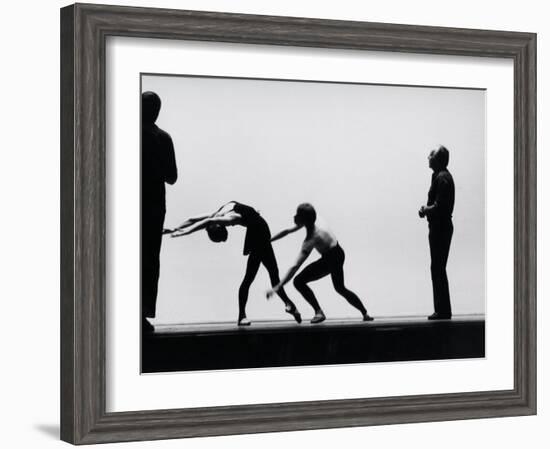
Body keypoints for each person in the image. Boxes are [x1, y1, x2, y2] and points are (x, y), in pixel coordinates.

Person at [169, 201, 302, 326]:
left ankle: (286, 306)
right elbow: (196, 220)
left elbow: (199, 221)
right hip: (258, 235)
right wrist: (176, 229)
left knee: (264, 276)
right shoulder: (223, 215)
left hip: (260, 234)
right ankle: (286, 306)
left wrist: (183, 231)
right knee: (263, 276)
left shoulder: (224, 216)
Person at [266, 203, 373, 324]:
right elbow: (288, 231)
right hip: (338, 252)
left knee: (299, 281)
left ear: (304, 220)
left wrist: (278, 286)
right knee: (340, 288)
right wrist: (269, 240)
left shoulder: (312, 239)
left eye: (297, 215)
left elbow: (295, 266)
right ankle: (365, 313)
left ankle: (319, 312)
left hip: (331, 259)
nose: (294, 216)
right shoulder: (315, 220)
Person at [141, 91, 178, 333]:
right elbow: (172, 177)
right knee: (150, 259)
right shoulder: (163, 138)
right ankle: (142, 313)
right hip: (154, 206)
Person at [418, 145, 455, 320]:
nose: (428, 156)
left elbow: (440, 207)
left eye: (431, 154)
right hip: (439, 227)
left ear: (438, 159)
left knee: (437, 267)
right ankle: (442, 310)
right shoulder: (439, 177)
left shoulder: (442, 178)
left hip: (440, 227)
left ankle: (442, 311)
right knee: (438, 267)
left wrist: (426, 210)